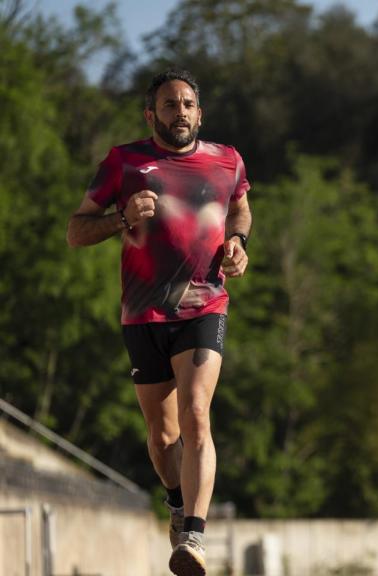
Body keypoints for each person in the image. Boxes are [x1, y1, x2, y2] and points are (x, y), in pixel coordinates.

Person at [67, 68, 251, 576]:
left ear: (200, 111)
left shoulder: (226, 160)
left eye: (188, 104)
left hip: (205, 305)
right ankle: (177, 501)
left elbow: (241, 211)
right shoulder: (124, 162)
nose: (180, 113)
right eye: (169, 105)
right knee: (162, 436)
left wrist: (239, 244)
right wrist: (122, 218)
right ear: (152, 115)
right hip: (143, 312)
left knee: (196, 413)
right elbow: (76, 231)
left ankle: (193, 535)